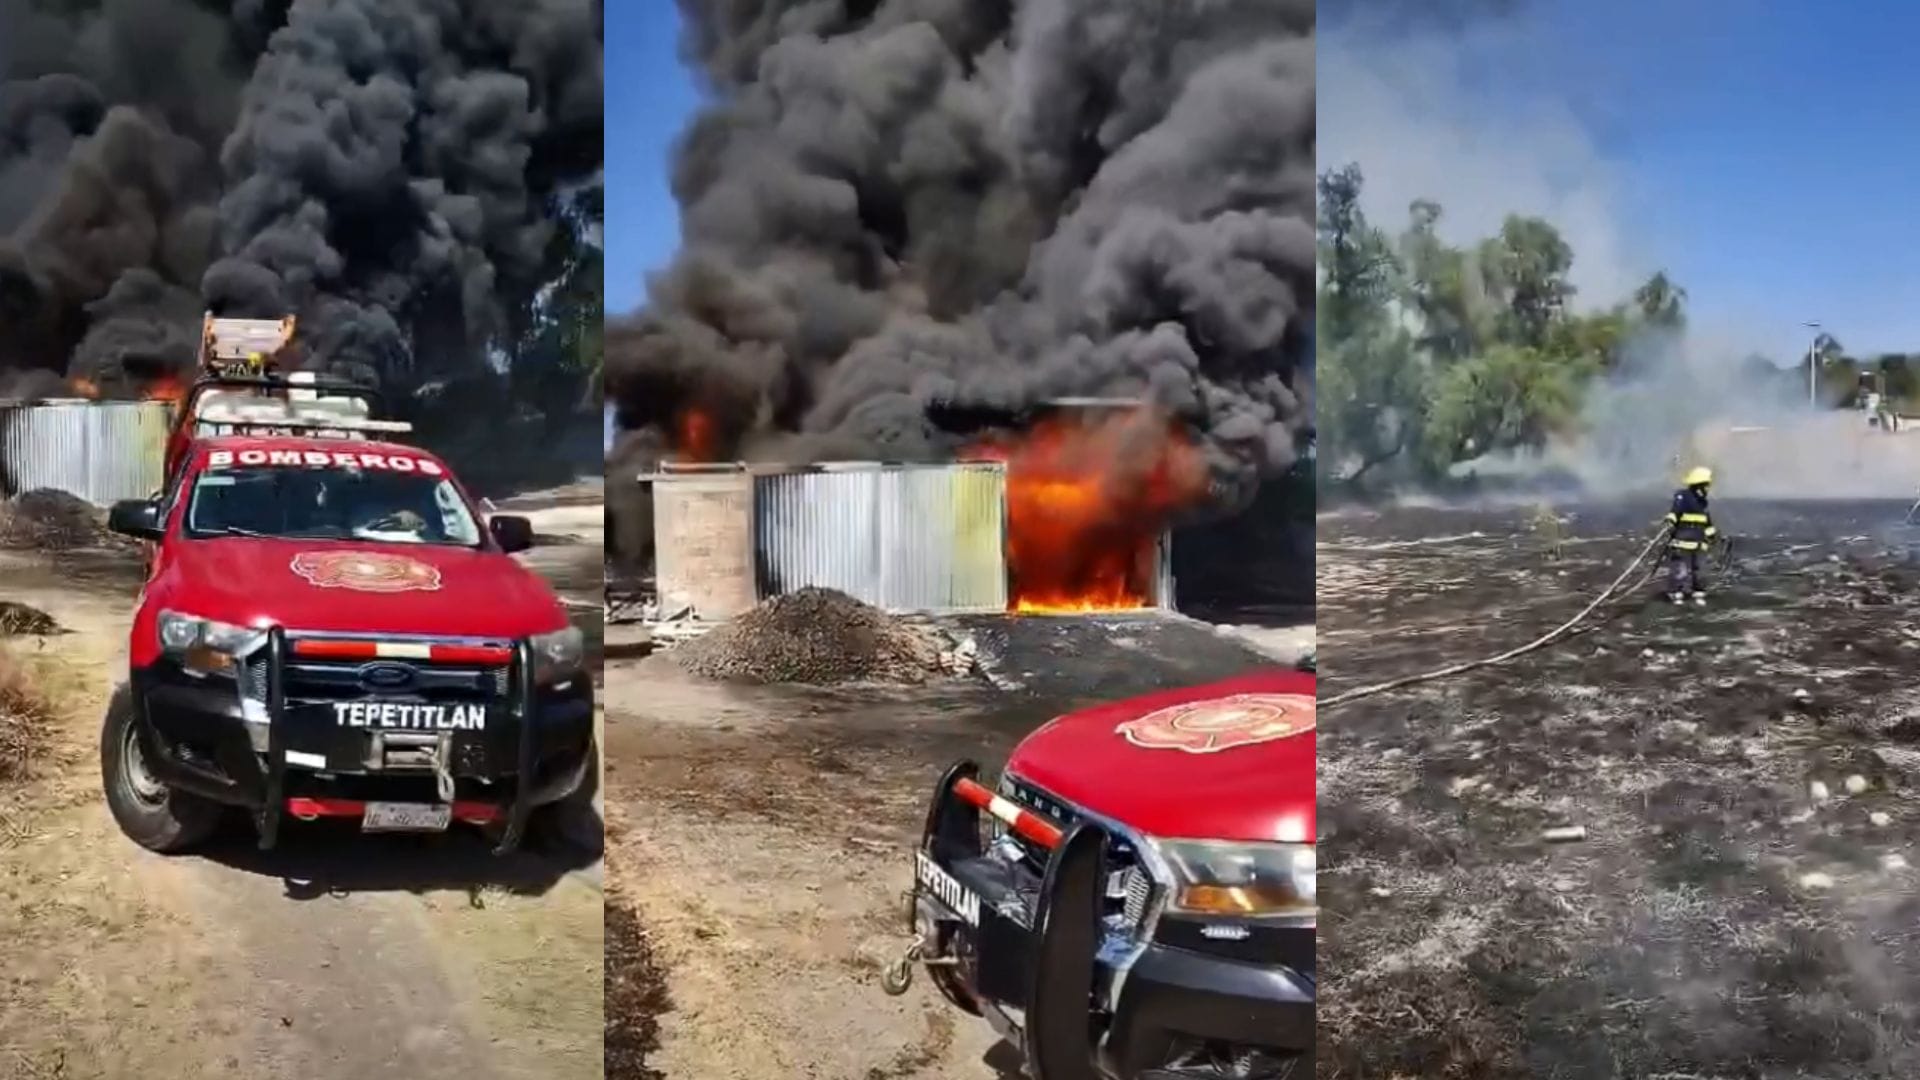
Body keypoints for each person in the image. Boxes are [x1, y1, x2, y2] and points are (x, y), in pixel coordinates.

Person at [1665, 466, 1718, 605]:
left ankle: (1698, 592)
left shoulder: (1703, 503)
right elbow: (1675, 512)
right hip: (1682, 541)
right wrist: (1670, 522)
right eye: (1706, 485)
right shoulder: (1683, 497)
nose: (1707, 489)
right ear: (1698, 485)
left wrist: (1711, 535)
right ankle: (1677, 592)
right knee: (1680, 570)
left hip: (1699, 542)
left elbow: (1706, 521)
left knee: (1699, 569)